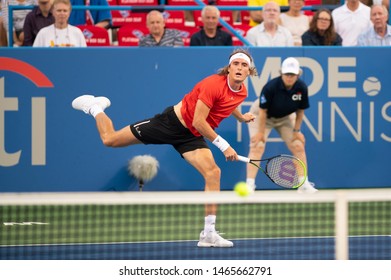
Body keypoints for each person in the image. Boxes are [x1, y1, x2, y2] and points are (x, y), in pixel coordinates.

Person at [72, 49, 257, 247]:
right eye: (235, 64)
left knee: (213, 173)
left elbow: (229, 102)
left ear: (249, 71)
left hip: (191, 137)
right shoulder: (212, 84)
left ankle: (208, 234)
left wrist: (241, 117)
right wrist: (224, 146)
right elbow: (199, 121)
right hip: (170, 124)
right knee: (110, 140)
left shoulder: (242, 91)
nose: (239, 68)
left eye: (243, 65)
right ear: (229, 68)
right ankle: (95, 108)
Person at [246, 57, 317, 194]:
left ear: (298, 75)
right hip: (262, 116)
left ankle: (303, 184)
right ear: (281, 73)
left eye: (292, 75)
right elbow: (262, 111)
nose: (289, 77)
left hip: (285, 117)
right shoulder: (270, 87)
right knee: (257, 146)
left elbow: (300, 110)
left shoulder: (301, 88)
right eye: (287, 74)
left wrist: (297, 131)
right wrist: (260, 133)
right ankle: (250, 184)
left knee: (298, 145)